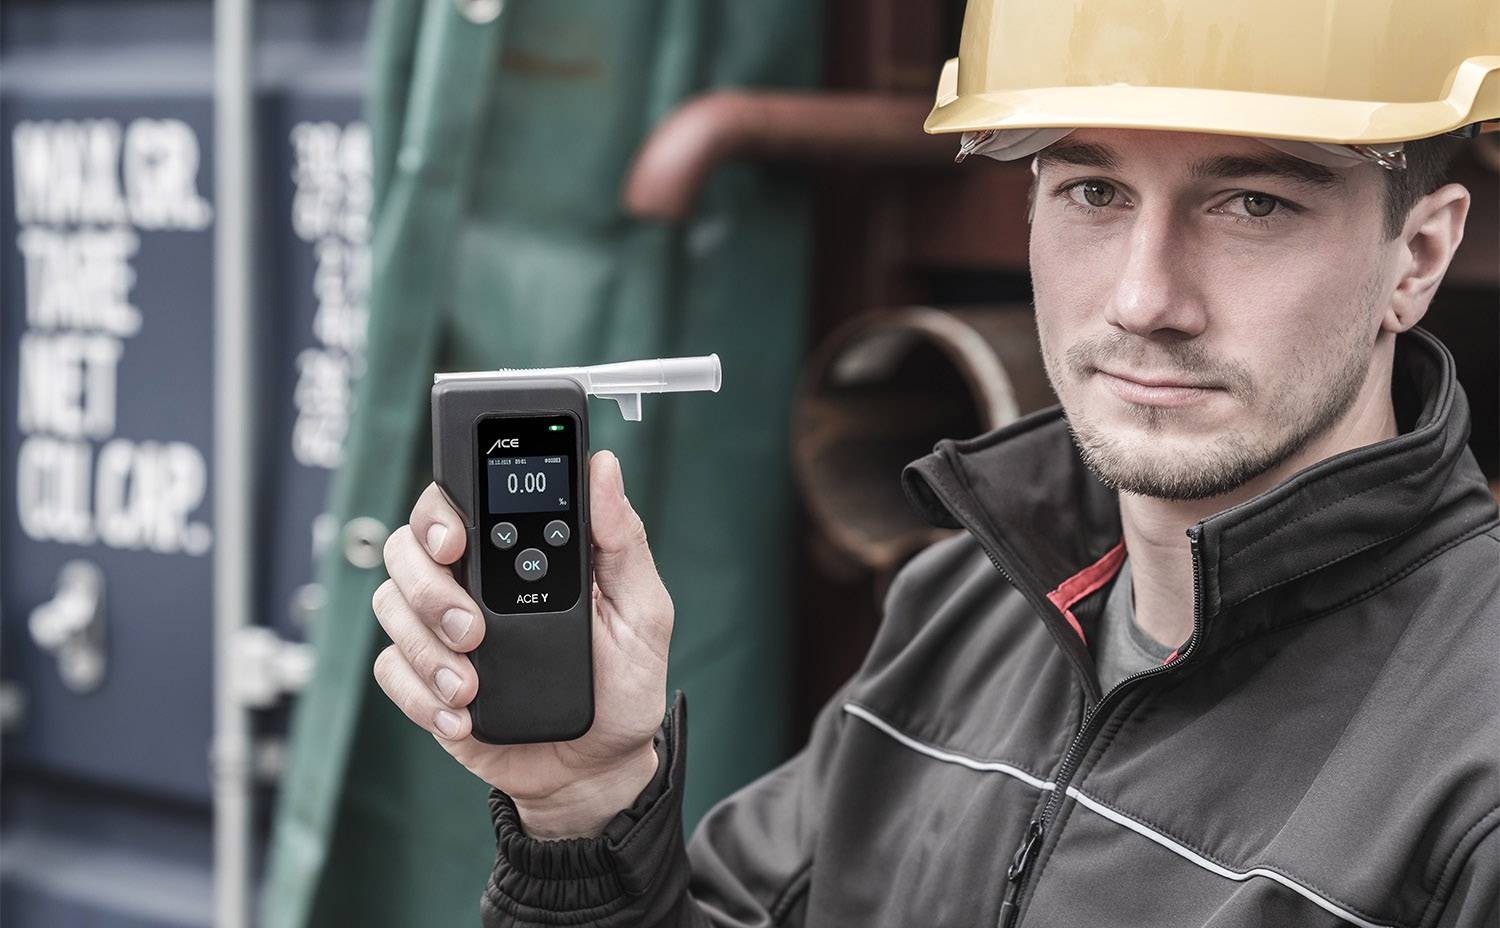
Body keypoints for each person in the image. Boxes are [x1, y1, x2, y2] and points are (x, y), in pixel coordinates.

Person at [371, 1, 1500, 924]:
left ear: (1419, 254)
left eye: (1253, 204)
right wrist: (585, 811)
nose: (1145, 297)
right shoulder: (961, 610)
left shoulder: (1473, 770)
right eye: (1093, 191)